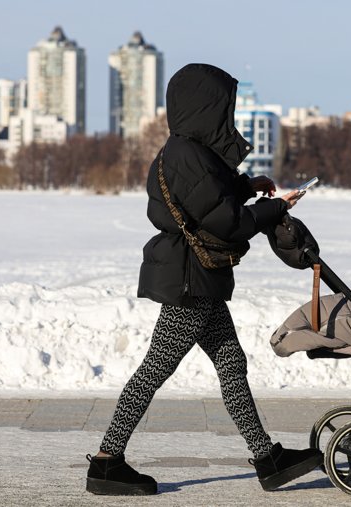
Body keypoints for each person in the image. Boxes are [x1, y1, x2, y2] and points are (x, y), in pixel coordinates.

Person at [86, 63, 322, 496]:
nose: (227, 118)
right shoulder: (186, 156)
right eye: (223, 108)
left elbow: (211, 200)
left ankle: (266, 458)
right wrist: (273, 209)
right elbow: (228, 223)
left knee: (232, 365)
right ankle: (106, 462)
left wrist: (250, 186)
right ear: (204, 108)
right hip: (189, 281)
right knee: (155, 369)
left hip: (197, 278)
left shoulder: (186, 150)